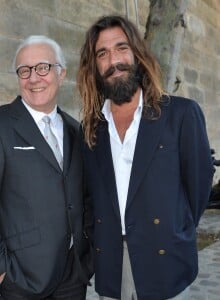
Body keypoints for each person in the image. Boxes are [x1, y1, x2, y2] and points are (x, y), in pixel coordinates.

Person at [77, 15, 214, 300]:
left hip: (166, 258)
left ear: (137, 53)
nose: (114, 60)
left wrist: (176, 230)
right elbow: (90, 199)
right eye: (102, 53)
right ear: (95, 67)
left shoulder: (181, 114)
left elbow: (198, 189)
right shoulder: (91, 129)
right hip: (112, 260)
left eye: (121, 48)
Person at [0, 35, 93, 300]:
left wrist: (86, 254)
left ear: (61, 73)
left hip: (73, 275)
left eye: (42, 67)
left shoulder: (75, 130)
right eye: (25, 70)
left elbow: (84, 195)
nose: (34, 78)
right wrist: (1, 272)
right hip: (22, 280)